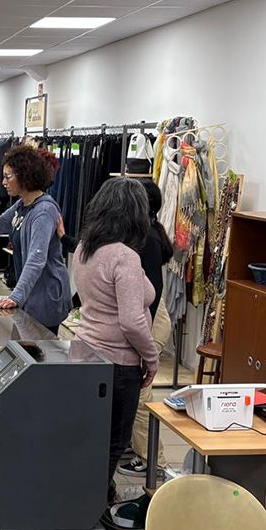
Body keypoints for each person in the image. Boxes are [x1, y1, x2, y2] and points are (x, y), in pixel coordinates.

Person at [71, 177, 158, 503]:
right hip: (118, 365)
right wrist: (151, 357)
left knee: (90, 442)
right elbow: (133, 321)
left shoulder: (85, 248)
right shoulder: (124, 256)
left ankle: (93, 511)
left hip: (84, 353)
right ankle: (94, 519)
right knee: (111, 446)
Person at [0, 145, 71, 333]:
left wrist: (15, 297)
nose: (3, 182)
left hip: (45, 297)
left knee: (38, 354)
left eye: (8, 176)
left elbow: (37, 259)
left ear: (24, 176)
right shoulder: (23, 204)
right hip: (29, 294)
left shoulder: (43, 211)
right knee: (23, 349)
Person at [118, 180, 176, 479]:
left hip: (152, 322)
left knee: (141, 399)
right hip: (147, 319)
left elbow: (151, 298)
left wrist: (145, 348)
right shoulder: (139, 236)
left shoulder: (149, 240)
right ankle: (141, 451)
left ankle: (158, 463)